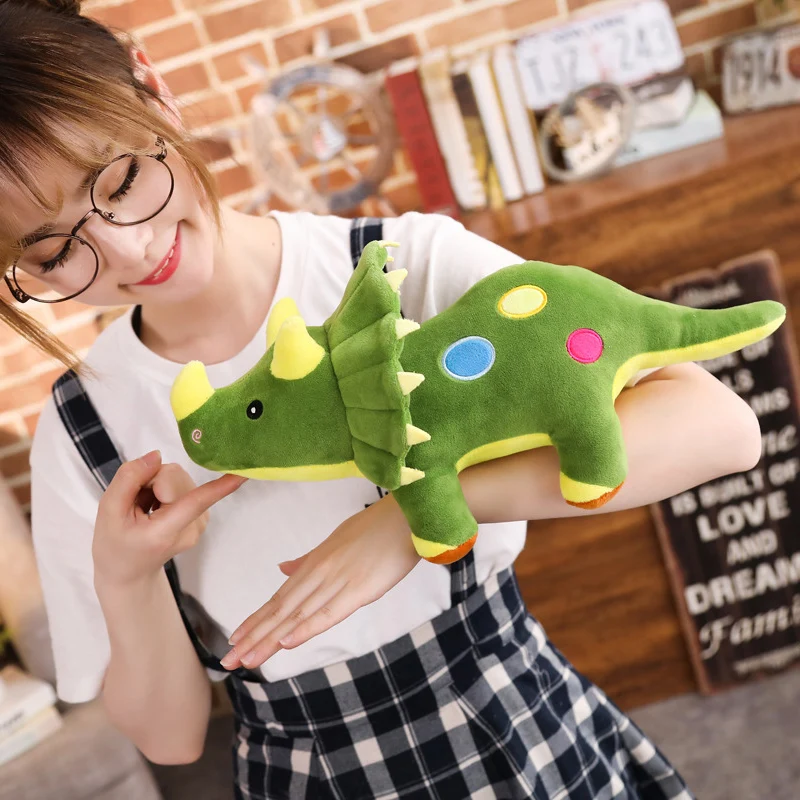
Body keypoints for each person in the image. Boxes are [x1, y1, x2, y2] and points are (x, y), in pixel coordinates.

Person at [1, 2, 762, 797]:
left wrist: (411, 517)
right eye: (53, 253)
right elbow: (173, 736)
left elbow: (721, 427)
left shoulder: (398, 264)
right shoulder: (84, 427)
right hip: (306, 776)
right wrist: (124, 577)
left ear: (155, 92)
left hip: (517, 731)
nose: (128, 246)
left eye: (122, 180)